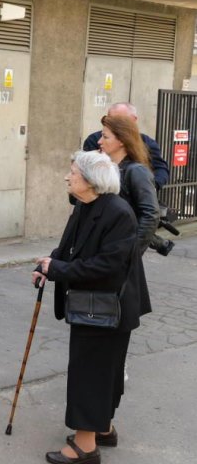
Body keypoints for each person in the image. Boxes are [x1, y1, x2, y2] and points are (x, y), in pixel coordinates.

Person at [32, 150, 140, 464]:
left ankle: (85, 446)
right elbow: (68, 248)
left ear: (91, 182)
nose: (68, 177)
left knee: (91, 373)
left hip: (107, 307)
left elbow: (105, 267)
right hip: (94, 304)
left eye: (73, 173)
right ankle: (102, 428)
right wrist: (47, 265)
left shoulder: (119, 212)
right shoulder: (87, 205)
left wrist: (58, 270)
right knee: (102, 372)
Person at [96, 114, 159, 383]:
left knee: (119, 315)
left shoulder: (135, 171)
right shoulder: (108, 168)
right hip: (107, 256)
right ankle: (105, 369)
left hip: (123, 259)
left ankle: (114, 372)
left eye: (106, 136)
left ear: (121, 141)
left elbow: (151, 213)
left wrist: (132, 251)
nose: (99, 140)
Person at [82, 102, 168, 190]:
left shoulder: (147, 143)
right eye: (110, 119)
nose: (113, 123)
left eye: (120, 120)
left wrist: (148, 188)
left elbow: (160, 169)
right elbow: (85, 173)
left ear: (133, 120)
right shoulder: (94, 140)